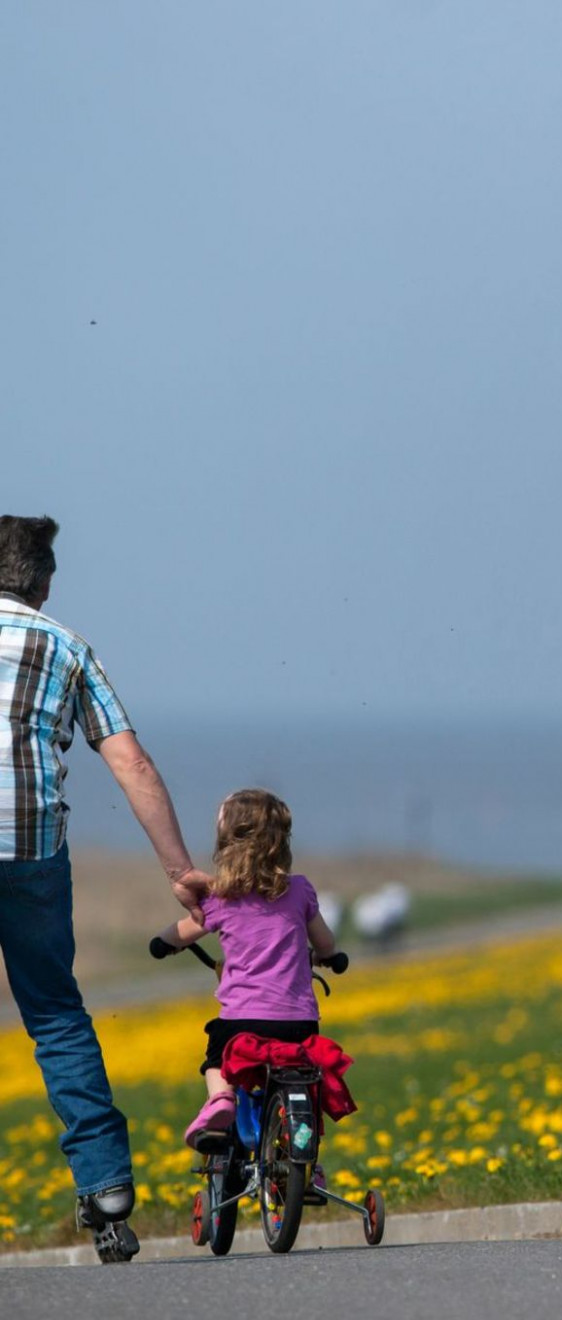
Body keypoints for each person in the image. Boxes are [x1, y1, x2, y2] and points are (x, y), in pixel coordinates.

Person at [0, 514, 209, 1262]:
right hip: (31, 855)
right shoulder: (66, 647)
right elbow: (133, 766)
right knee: (55, 1016)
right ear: (44, 583)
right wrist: (181, 873)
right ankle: (108, 1193)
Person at [153, 788, 341, 1150]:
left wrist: (163, 943)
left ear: (226, 842)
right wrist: (327, 956)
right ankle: (309, 1164)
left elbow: (181, 932)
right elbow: (326, 943)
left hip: (242, 1022)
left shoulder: (222, 897)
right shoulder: (300, 891)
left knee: (216, 1060)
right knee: (304, 1083)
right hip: (299, 1023)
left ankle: (221, 1099)